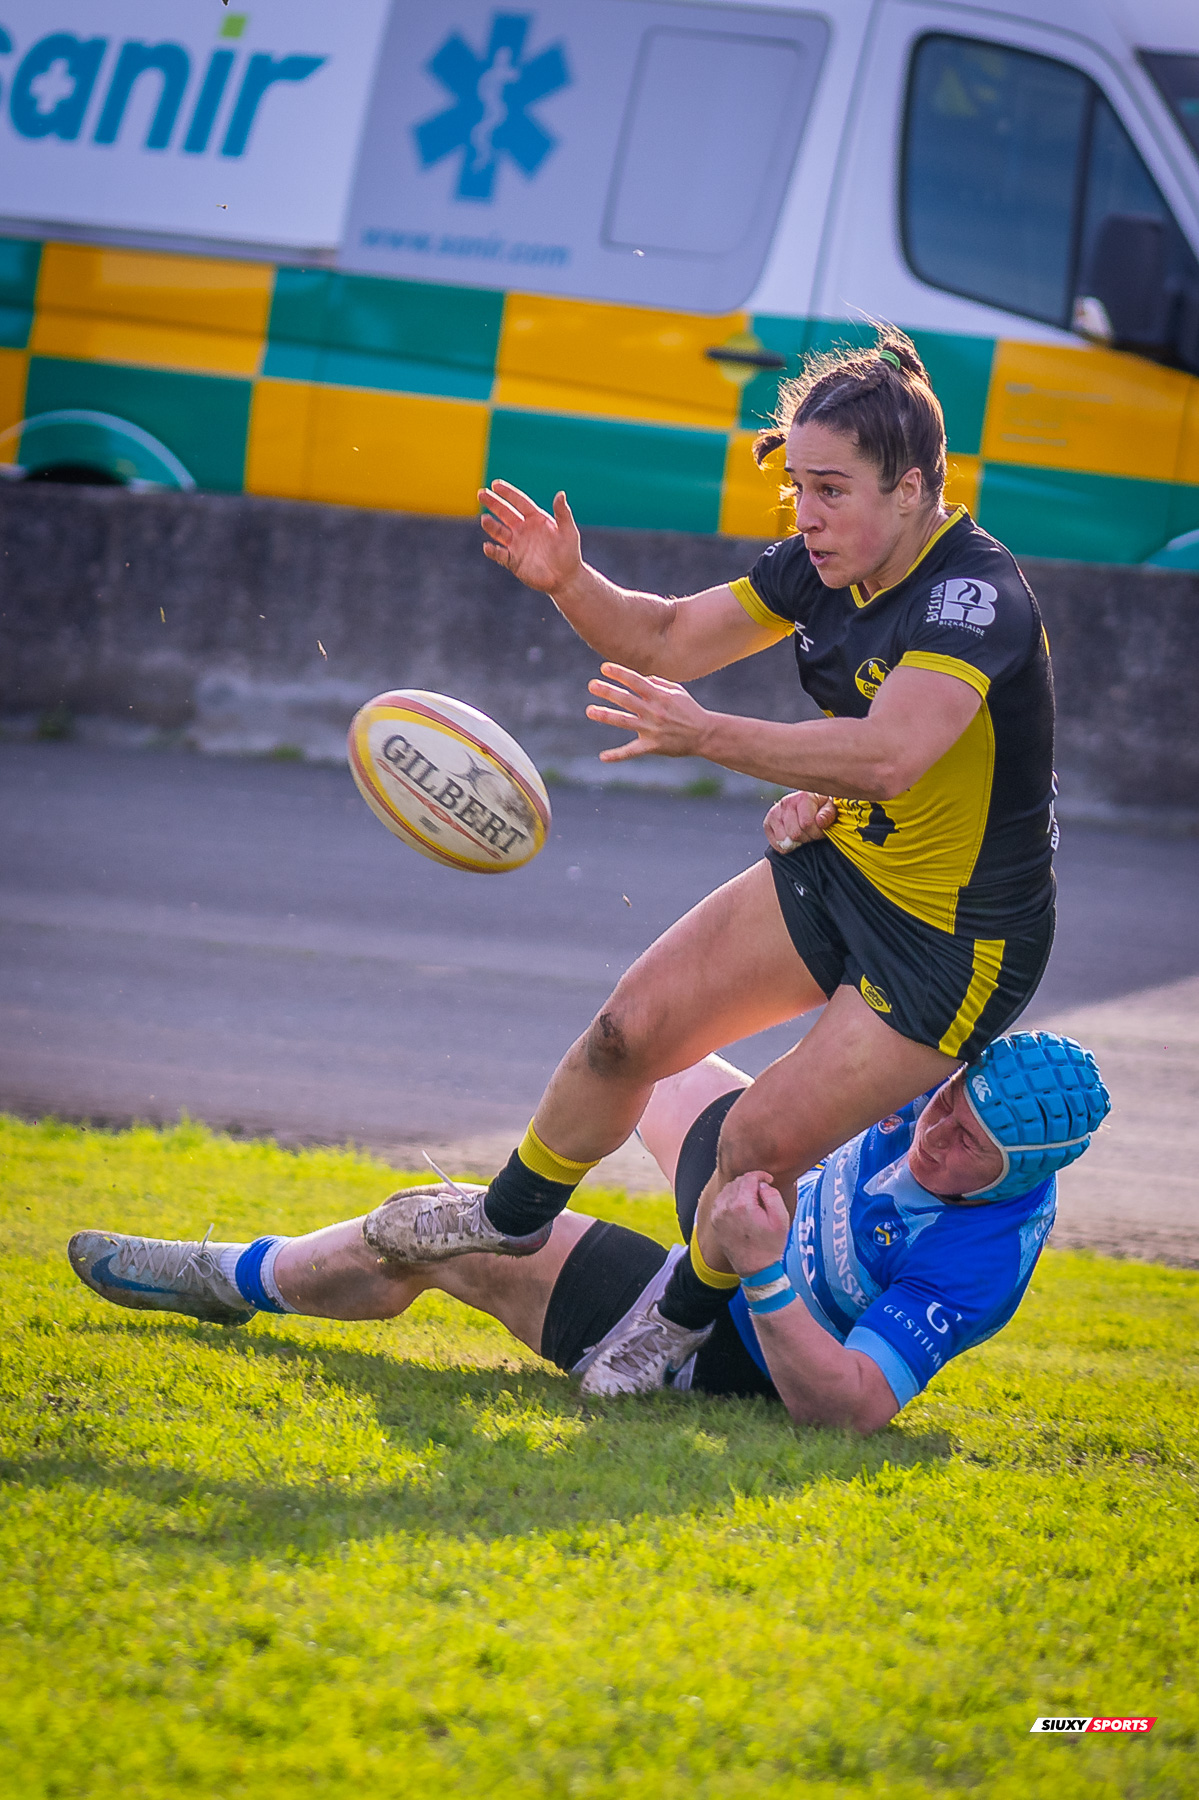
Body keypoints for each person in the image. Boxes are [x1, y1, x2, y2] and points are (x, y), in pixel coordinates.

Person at [367, 327, 1060, 1396]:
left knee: (754, 1144)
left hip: (951, 948)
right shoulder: (818, 566)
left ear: (913, 487)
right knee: (623, 1033)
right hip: (849, 869)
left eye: (830, 490)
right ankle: (505, 1220)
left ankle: (676, 1324)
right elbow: (659, 637)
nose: (805, 516)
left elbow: (889, 754)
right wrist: (567, 581)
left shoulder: (974, 597)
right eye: (795, 488)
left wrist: (707, 735)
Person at [67, 1032, 1109, 1423]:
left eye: (969, 1151)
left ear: (1021, 1179)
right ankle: (521, 1201)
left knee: (444, 1234)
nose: (935, 1141)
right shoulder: (930, 1075)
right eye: (944, 1112)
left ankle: (227, 1278)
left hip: (734, 1344)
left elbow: (847, 1409)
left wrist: (764, 1278)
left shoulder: (985, 1253)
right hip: (744, 1213)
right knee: (651, 1038)